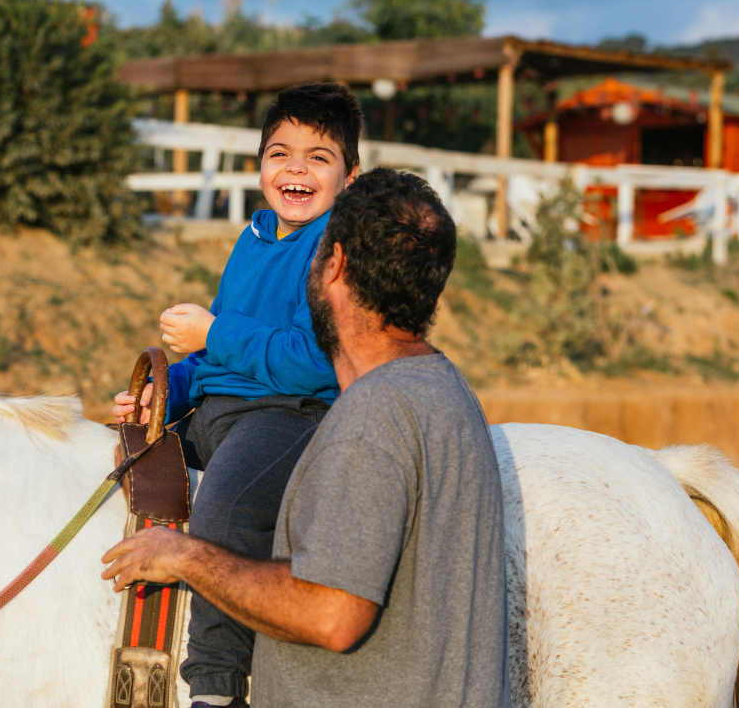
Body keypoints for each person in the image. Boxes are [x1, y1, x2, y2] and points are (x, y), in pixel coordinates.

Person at [102, 168, 509, 708]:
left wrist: (183, 555)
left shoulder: (369, 421)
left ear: (332, 265)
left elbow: (334, 616)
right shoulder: (449, 392)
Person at [109, 82, 364, 708]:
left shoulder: (338, 249)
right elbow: (214, 359)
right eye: (281, 153)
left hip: (289, 415)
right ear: (260, 168)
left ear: (350, 178)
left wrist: (217, 332)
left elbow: (317, 364)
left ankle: (217, 687)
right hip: (221, 410)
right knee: (121, 457)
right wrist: (166, 397)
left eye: (318, 157)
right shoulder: (250, 242)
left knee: (226, 505)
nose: (296, 168)